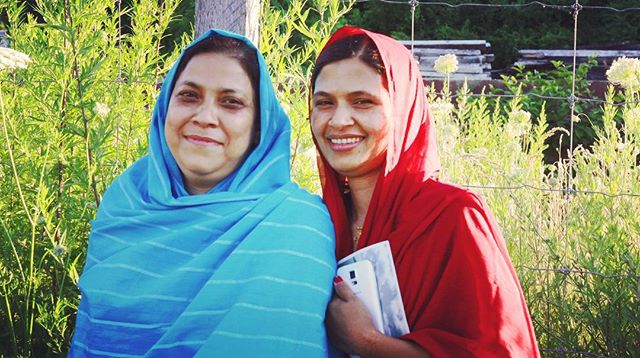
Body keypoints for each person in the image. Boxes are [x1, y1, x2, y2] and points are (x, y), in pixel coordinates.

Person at [69, 29, 336, 357]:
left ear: (259, 126)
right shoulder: (126, 204)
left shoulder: (297, 224)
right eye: (189, 96)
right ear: (166, 105)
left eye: (231, 102)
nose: (205, 117)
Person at [309, 26, 540, 357]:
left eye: (363, 102)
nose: (339, 120)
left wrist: (367, 343)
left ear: (402, 109)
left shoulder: (452, 217)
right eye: (324, 102)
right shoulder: (316, 224)